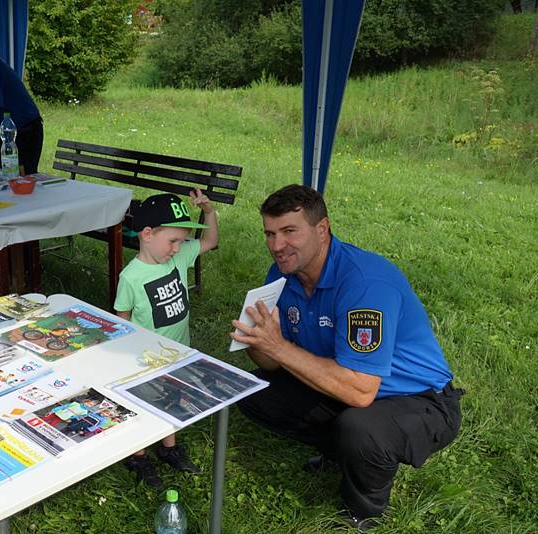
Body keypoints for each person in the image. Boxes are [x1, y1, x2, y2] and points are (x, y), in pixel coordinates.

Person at [230, 184, 463, 531]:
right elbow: (272, 364)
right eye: (270, 233)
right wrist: (257, 340)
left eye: (289, 232)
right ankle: (340, 452)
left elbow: (360, 393)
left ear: (322, 229)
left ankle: (362, 512)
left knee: (360, 427)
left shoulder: (365, 284)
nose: (277, 246)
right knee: (255, 392)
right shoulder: (283, 273)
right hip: (344, 381)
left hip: (419, 400)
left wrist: (279, 346)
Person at [113, 190, 218, 490]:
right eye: (173, 241)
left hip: (178, 351)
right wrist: (130, 352)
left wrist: (209, 212)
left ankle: (168, 447)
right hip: (146, 357)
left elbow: (210, 240)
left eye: (182, 241)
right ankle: (138, 455)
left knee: (173, 396)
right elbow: (122, 316)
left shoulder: (180, 257)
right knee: (146, 404)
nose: (177, 248)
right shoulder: (131, 276)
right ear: (147, 234)